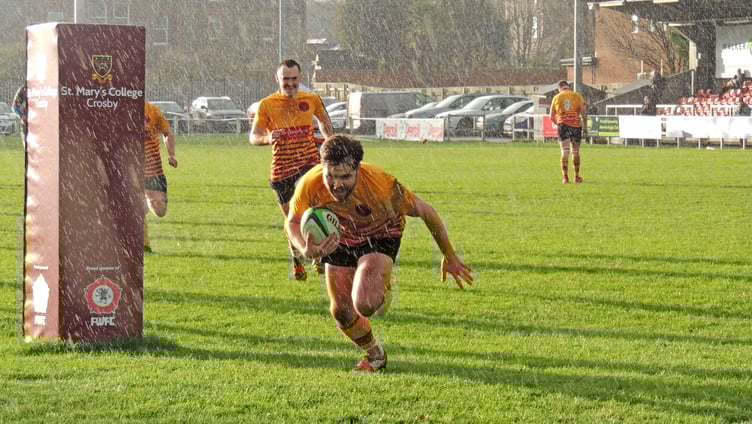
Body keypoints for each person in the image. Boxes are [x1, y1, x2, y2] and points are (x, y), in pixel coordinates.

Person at [285, 134, 473, 372]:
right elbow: (292, 222)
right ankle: (375, 355)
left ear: (358, 169)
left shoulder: (381, 185)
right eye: (331, 175)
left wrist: (449, 256)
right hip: (341, 236)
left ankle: (381, 288)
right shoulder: (310, 183)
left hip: (381, 233)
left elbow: (427, 211)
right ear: (322, 167)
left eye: (345, 176)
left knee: (364, 304)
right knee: (341, 311)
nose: (337, 184)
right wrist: (305, 247)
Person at [250, 58, 334, 281]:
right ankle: (297, 258)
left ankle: (320, 257)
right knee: (292, 221)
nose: (290, 83)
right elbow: (253, 136)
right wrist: (268, 138)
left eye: (294, 79)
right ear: (277, 79)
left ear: (301, 78)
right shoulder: (267, 104)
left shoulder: (312, 99)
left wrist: (331, 143)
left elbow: (324, 121)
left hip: (308, 165)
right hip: (281, 172)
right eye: (285, 79)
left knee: (315, 212)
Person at [144, 101, 178, 252]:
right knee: (137, 210)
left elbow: (167, 133)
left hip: (154, 170)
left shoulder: (153, 110)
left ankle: (146, 200)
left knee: (160, 211)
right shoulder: (118, 107)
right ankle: (143, 245)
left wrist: (171, 155)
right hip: (128, 170)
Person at [549, 80, 587, 184]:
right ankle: (576, 176)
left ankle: (565, 178)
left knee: (564, 151)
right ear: (567, 86)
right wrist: (585, 127)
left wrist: (559, 123)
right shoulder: (577, 95)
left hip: (563, 125)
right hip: (575, 125)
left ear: (559, 88)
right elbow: (583, 112)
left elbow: (551, 117)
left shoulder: (556, 97)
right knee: (575, 151)